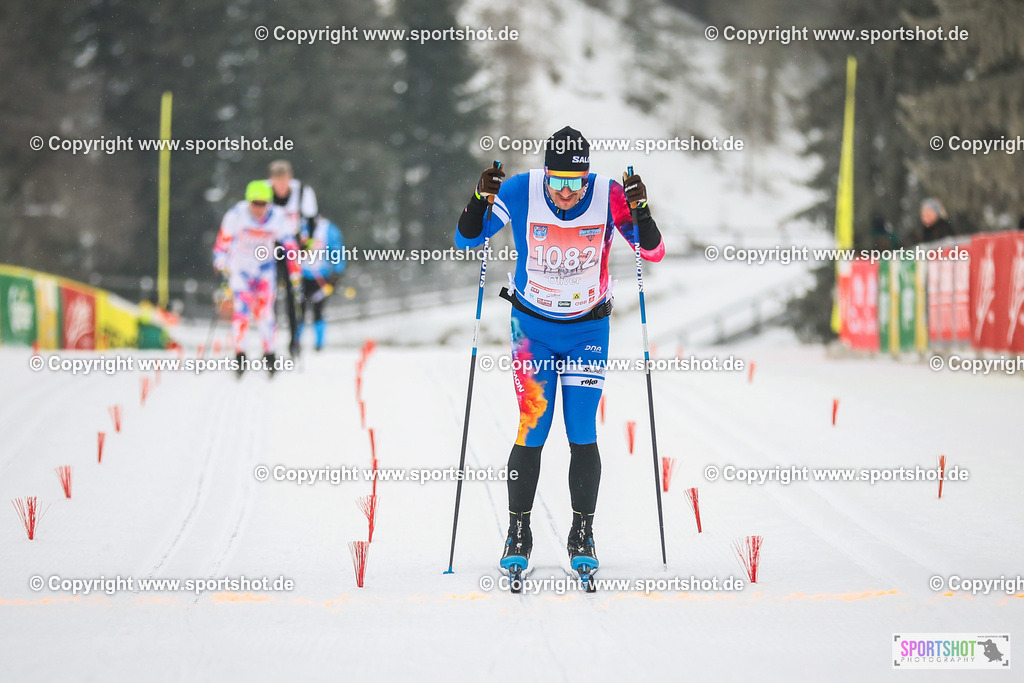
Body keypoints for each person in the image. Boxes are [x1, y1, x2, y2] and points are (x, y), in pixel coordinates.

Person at [454, 126, 665, 583]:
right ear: (544, 174)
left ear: (587, 177)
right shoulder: (521, 189)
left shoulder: (607, 195)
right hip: (533, 332)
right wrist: (478, 198)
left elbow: (654, 251)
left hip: (588, 329)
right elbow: (467, 239)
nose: (566, 194)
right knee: (533, 426)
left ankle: (582, 534)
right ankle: (518, 532)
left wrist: (640, 210)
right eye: (557, 182)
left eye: (575, 183)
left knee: (582, 429)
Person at [213, 180, 300, 377]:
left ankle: (269, 355)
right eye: (255, 203)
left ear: (269, 203)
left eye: (263, 204)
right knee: (241, 313)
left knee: (265, 313)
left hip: (264, 270)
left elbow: (290, 247)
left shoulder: (278, 217)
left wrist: (295, 273)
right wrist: (221, 266)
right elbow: (221, 246)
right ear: (248, 201)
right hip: (241, 269)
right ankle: (240, 356)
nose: (258, 208)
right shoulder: (236, 215)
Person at [268, 160, 319, 357]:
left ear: (290, 178)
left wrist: (307, 244)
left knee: (294, 295)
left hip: (293, 247)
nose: (281, 186)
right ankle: (270, 342)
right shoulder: (264, 191)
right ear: (271, 180)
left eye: (284, 181)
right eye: (276, 182)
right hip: (269, 247)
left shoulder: (303, 191)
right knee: (269, 295)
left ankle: (294, 341)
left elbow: (312, 219)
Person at [297, 215, 345, 351]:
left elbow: (337, 250)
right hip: (300, 277)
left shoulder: (328, 228)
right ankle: (295, 342)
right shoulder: (298, 225)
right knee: (298, 310)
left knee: (318, 310)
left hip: (321, 277)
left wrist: (337, 273)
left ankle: (319, 344)